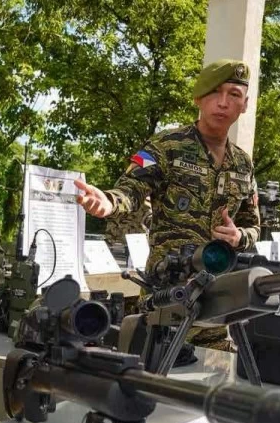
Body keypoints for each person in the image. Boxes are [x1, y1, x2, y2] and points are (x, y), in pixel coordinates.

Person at [74, 59, 260, 272]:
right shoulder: (165, 145)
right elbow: (132, 187)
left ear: (245, 103)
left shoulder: (243, 164)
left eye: (234, 94)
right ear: (198, 98)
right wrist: (109, 201)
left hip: (221, 289)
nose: (223, 102)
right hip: (167, 288)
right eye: (214, 92)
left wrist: (240, 237)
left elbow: (253, 225)